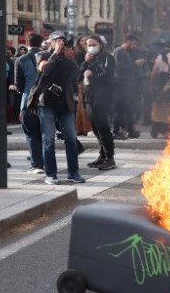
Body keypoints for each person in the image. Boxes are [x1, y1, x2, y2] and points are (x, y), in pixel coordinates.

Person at [32, 32, 83, 184]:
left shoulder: (67, 58)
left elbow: (76, 76)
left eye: (63, 41)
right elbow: (45, 70)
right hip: (46, 102)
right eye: (58, 41)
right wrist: (55, 54)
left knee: (71, 139)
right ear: (51, 42)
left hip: (65, 103)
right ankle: (51, 174)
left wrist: (70, 58)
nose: (61, 43)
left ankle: (73, 173)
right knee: (48, 139)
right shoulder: (43, 55)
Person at [81, 35, 117, 170]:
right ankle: (102, 156)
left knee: (103, 129)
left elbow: (108, 76)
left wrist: (93, 76)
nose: (91, 47)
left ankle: (110, 157)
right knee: (96, 130)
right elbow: (80, 75)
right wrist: (85, 62)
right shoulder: (89, 59)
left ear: (100, 44)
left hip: (102, 98)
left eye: (93, 44)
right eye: (88, 45)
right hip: (89, 97)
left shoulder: (108, 58)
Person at [14, 34, 45, 172]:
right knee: (45, 132)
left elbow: (19, 85)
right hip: (47, 99)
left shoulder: (21, 59)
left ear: (27, 43)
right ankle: (47, 161)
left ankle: (37, 164)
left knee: (31, 133)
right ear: (41, 43)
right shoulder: (49, 57)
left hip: (28, 99)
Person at [113, 34, 144, 139]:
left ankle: (130, 130)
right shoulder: (119, 51)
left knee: (129, 108)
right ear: (127, 41)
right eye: (134, 43)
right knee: (120, 108)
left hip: (129, 84)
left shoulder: (129, 53)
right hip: (120, 84)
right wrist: (135, 64)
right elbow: (119, 67)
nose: (135, 46)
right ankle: (116, 131)